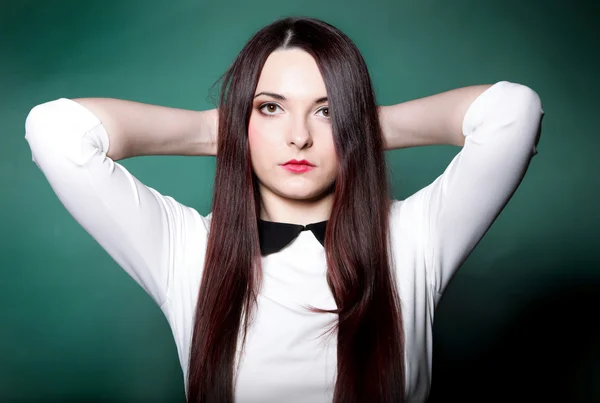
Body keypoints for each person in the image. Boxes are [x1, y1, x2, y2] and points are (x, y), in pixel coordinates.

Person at [24, 16, 543, 403]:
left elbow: (511, 112)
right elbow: (56, 129)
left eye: (326, 110)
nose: (299, 136)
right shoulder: (186, 250)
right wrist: (219, 132)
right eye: (270, 108)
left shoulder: (413, 237)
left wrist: (358, 126)